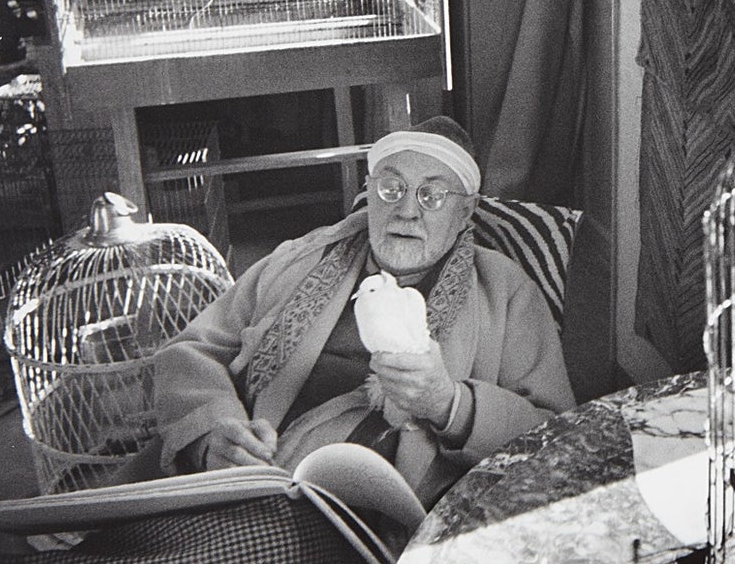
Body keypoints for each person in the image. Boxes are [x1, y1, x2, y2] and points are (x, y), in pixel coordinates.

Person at [153, 115, 576, 509]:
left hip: (379, 511)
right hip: (250, 478)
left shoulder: (505, 291)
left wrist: (448, 403)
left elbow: (558, 434)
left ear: (465, 212)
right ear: (370, 192)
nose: (407, 210)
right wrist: (214, 435)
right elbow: (191, 352)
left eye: (432, 196)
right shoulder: (300, 258)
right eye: (391, 189)